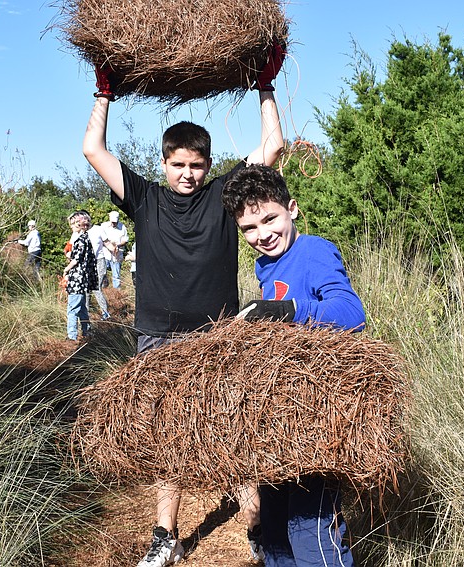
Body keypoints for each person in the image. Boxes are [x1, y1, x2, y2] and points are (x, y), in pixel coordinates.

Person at [83, 41, 285, 567]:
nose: (188, 174)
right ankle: (164, 536)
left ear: (209, 164)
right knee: (169, 438)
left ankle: (259, 531)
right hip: (157, 334)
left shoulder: (224, 196)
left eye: (197, 164)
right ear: (165, 162)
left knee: (236, 429)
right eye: (179, 164)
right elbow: (92, 150)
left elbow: (273, 144)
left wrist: (265, 86)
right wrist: (104, 91)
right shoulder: (144, 198)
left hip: (222, 332)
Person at [222, 163, 365, 567]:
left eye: (270, 219)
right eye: (249, 228)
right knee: (276, 528)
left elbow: (351, 312)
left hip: (318, 420)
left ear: (293, 208)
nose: (263, 234)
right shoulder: (264, 265)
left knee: (312, 533)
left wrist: (287, 310)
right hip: (279, 420)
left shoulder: (313, 250)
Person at [62, 210, 98, 341]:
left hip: (78, 278)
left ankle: (71, 336)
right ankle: (86, 332)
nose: (72, 227)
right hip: (82, 278)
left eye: (75, 224)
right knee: (82, 307)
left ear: (81, 225)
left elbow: (76, 259)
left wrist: (66, 269)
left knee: (72, 308)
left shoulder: (82, 240)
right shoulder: (83, 238)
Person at [86, 215, 116, 320]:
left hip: (99, 261)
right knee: (86, 289)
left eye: (86, 219)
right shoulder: (80, 232)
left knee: (96, 287)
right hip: (86, 263)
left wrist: (114, 250)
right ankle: (86, 313)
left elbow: (107, 243)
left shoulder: (98, 229)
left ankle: (105, 312)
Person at [101, 210, 129, 288]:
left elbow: (125, 240)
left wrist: (118, 245)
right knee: (102, 274)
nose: (114, 223)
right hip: (105, 254)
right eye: (112, 222)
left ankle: (117, 293)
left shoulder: (122, 227)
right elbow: (101, 240)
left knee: (116, 275)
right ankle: (103, 290)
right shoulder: (103, 226)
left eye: (115, 222)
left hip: (117, 255)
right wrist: (109, 245)